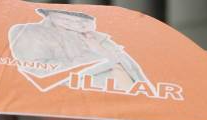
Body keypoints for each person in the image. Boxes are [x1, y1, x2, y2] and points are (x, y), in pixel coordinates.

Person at [9, 8, 151, 91]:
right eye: (67, 16)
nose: (76, 20)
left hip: (125, 106)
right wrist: (98, 54)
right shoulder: (30, 31)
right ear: (48, 12)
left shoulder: (98, 38)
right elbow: (38, 71)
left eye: (84, 18)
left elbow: (136, 75)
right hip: (76, 104)